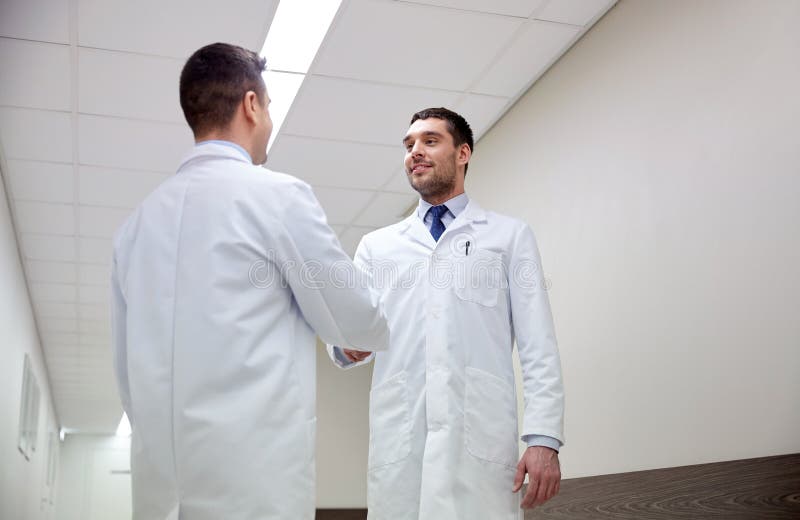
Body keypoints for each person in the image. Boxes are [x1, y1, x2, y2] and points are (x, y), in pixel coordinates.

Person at [110, 43, 389, 520]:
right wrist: (359, 334)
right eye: (270, 106)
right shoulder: (276, 196)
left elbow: (125, 372)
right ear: (251, 104)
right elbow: (355, 318)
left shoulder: (135, 226)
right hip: (253, 488)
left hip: (163, 496)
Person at [329, 107, 565, 519]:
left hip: (479, 443)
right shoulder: (377, 246)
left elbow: (538, 344)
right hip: (402, 444)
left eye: (429, 141)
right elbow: (348, 330)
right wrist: (345, 346)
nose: (414, 152)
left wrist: (543, 438)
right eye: (409, 145)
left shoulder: (507, 237)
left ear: (463, 153)